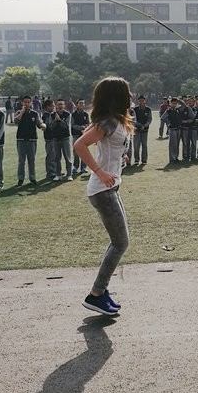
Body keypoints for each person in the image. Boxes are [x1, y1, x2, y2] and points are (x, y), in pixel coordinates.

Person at [73, 77, 134, 316]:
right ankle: (96, 294)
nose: (130, 96)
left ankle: (101, 291)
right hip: (102, 190)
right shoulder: (109, 121)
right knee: (121, 243)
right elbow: (79, 145)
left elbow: (108, 147)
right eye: (126, 92)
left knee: (119, 241)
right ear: (116, 96)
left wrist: (119, 160)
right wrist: (100, 170)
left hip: (110, 188)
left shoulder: (114, 121)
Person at [15, 95, 46, 186]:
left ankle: (32, 177)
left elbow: (39, 123)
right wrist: (22, 112)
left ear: (31, 103)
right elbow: (16, 122)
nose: (27, 104)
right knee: (21, 160)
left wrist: (43, 126)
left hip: (32, 139)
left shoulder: (34, 114)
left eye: (28, 102)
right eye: (25, 102)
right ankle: (20, 178)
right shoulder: (18, 112)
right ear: (22, 103)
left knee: (31, 160)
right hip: (21, 139)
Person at [50, 98, 73, 181]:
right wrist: (55, 121)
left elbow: (66, 126)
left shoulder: (67, 114)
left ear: (64, 105)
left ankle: (69, 174)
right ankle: (58, 174)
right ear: (56, 105)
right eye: (58, 104)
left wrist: (59, 120)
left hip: (65, 138)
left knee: (68, 158)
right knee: (56, 158)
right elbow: (51, 127)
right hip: (56, 139)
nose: (60, 106)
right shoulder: (52, 115)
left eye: (61, 104)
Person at [71, 99, 90, 177]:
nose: (82, 104)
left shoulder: (86, 114)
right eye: (80, 103)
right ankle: (75, 167)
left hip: (84, 135)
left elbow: (88, 124)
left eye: (83, 103)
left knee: (84, 151)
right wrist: (80, 128)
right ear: (77, 105)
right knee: (76, 152)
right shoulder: (73, 114)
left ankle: (84, 167)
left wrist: (85, 127)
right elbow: (72, 125)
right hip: (76, 135)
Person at [132, 95, 152, 165]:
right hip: (137, 130)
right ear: (138, 101)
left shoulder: (148, 109)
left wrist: (145, 125)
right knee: (136, 146)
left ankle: (144, 160)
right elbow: (133, 119)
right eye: (140, 101)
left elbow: (149, 119)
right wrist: (139, 125)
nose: (141, 102)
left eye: (142, 101)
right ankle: (136, 160)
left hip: (145, 130)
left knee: (144, 145)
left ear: (145, 101)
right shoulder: (135, 109)